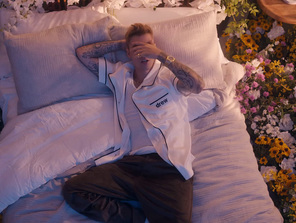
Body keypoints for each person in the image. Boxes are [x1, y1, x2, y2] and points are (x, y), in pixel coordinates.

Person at [62, 23, 205, 223]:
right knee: (74, 190)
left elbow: (198, 85)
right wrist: (123, 44)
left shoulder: (168, 77)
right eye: (137, 48)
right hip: (128, 166)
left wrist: (162, 56)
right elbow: (83, 54)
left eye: (148, 45)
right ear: (129, 52)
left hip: (167, 167)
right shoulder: (120, 77)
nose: (144, 51)